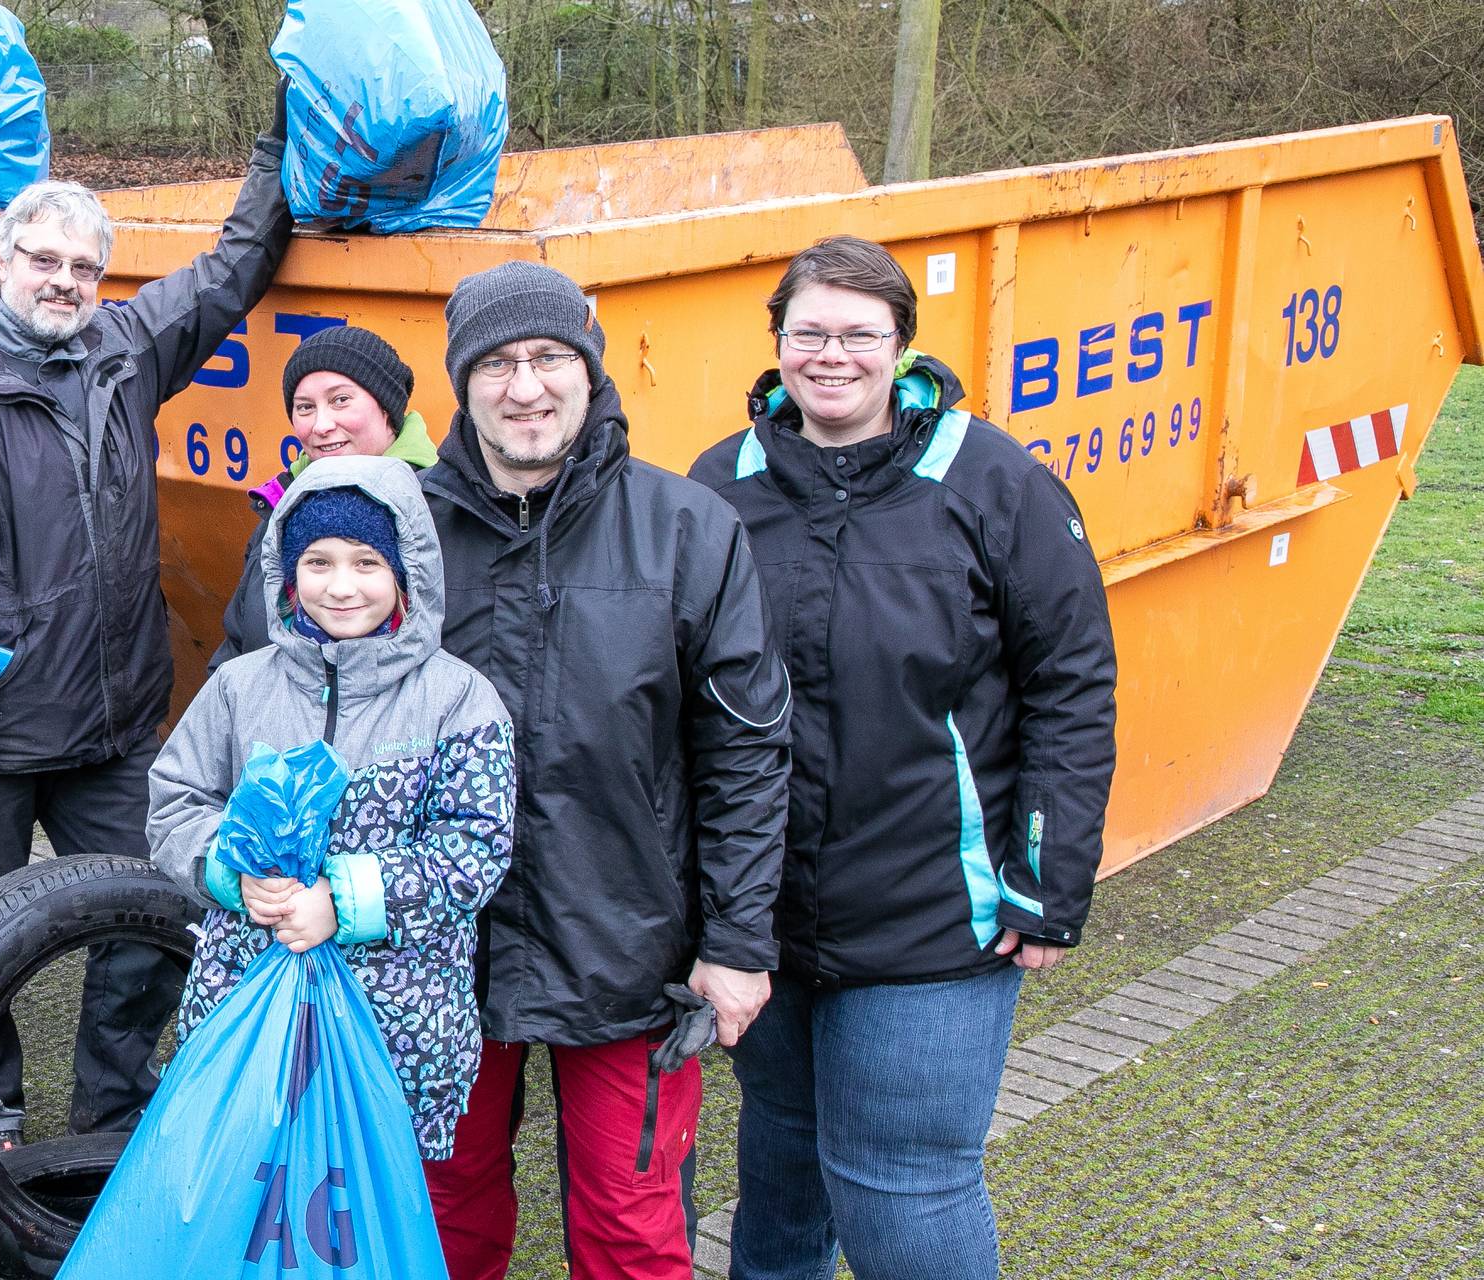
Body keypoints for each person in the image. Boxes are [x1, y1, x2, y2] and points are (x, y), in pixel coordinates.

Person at [689, 236, 1116, 1280]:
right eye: (808, 333)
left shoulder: (992, 481)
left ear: (902, 348)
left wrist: (1050, 881)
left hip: (933, 918)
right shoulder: (718, 484)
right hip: (764, 920)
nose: (831, 355)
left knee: (901, 1188)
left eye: (859, 334)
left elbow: (1072, 681)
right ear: (777, 343)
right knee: (782, 1169)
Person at [0, 112, 293, 1144]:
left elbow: (230, 273)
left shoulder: (122, 353)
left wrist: (276, 154)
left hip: (112, 731)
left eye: (83, 265)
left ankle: (110, 1096)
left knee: (155, 914)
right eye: (44, 258)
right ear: (0, 260)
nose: (64, 280)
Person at [415, 260, 791, 1280]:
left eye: (547, 357)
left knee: (632, 1227)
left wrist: (739, 940)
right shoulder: (401, 532)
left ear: (591, 366)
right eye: (496, 362)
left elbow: (745, 753)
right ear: (461, 380)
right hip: (440, 948)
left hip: (631, 951)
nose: (525, 386)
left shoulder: (685, 528)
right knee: (438, 1216)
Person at [147, 457, 515, 1162]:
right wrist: (233, 873)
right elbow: (176, 798)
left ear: (407, 570)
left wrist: (341, 905)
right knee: (249, 1187)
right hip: (247, 1000)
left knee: (363, 1206)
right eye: (317, 561)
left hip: (397, 1020)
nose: (341, 586)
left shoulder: (459, 701)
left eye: (367, 562)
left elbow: (475, 848)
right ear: (288, 572)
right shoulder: (239, 687)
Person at [208, 323, 436, 671]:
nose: (321, 425)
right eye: (304, 407)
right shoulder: (280, 510)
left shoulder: (436, 510)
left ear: (387, 408)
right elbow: (237, 648)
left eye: (340, 400)